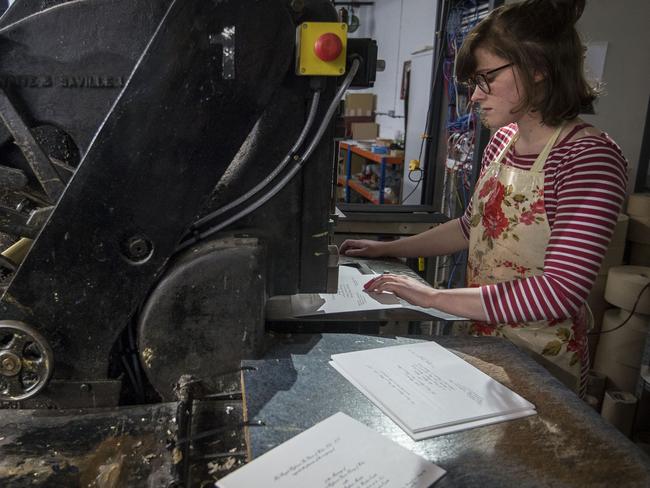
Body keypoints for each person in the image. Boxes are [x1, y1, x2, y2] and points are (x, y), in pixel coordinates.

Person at [339, 0, 627, 396]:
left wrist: (434, 298)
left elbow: (561, 290)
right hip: (484, 339)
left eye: (486, 77)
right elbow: (469, 227)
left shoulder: (588, 158)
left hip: (541, 361)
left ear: (538, 67)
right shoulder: (503, 142)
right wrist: (389, 248)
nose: (474, 96)